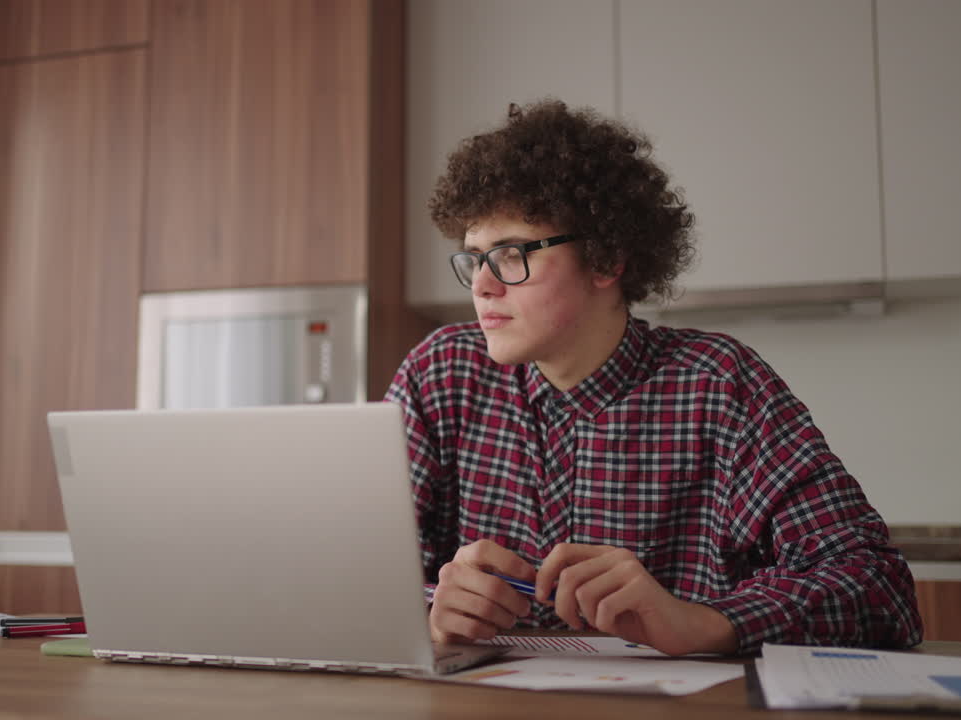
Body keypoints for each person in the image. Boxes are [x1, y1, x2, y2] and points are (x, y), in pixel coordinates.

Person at [384, 99, 923, 656]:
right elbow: (348, 571)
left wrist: (704, 622)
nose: (483, 286)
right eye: (474, 258)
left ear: (606, 259)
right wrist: (431, 613)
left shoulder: (718, 384)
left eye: (512, 253)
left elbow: (876, 584)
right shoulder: (440, 374)